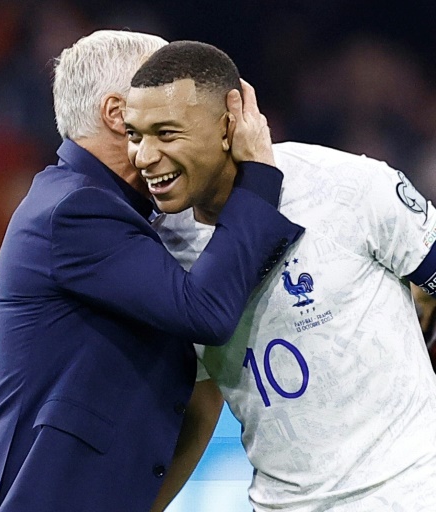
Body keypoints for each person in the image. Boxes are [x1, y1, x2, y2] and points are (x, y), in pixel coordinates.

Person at [0, 30, 303, 512]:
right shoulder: (75, 210)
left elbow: (197, 396)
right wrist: (258, 174)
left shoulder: (120, 212)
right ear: (118, 113)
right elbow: (206, 312)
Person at [123, 40, 436, 511]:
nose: (144, 156)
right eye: (135, 135)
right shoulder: (157, 250)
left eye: (166, 134)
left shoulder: (347, 186)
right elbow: (200, 403)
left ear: (229, 125)